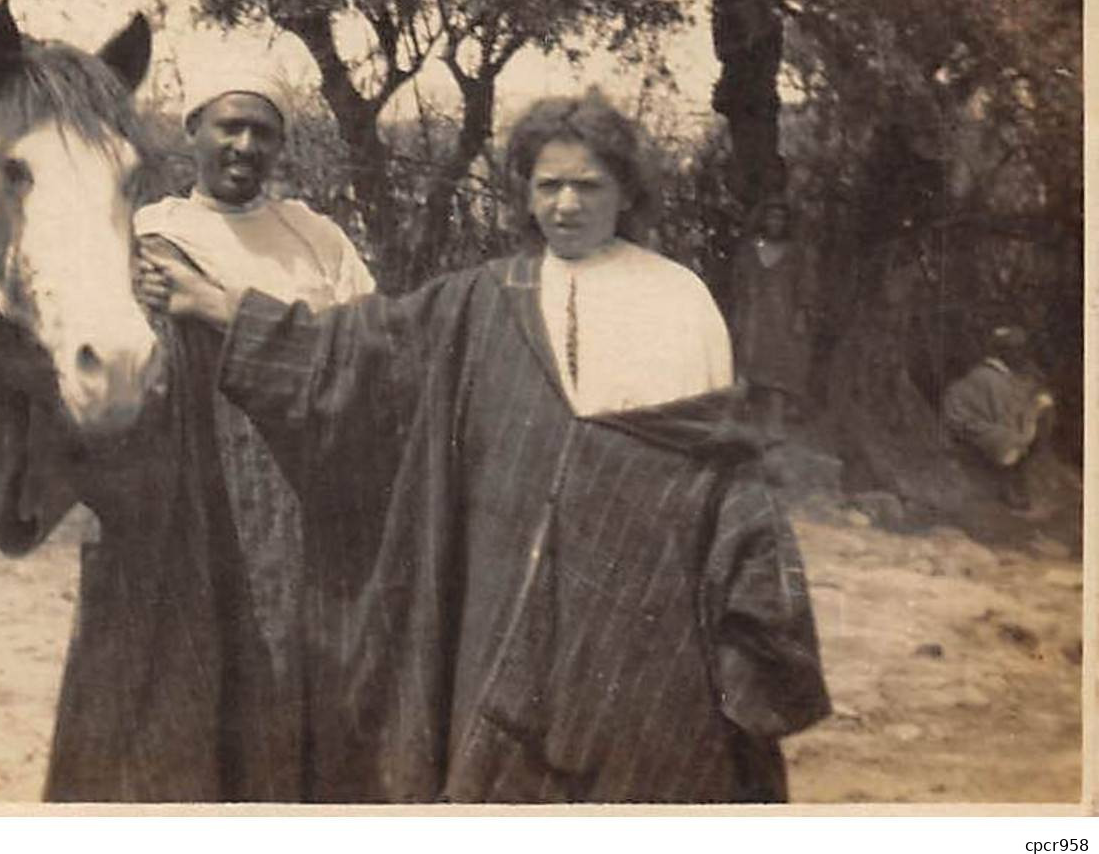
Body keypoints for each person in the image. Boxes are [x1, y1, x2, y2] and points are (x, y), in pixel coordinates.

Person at [139, 91, 831, 803]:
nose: (566, 204)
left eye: (588, 185)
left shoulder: (678, 299)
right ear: (524, 194)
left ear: (626, 192)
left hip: (638, 603)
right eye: (547, 185)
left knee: (638, 760)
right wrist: (218, 308)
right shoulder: (486, 297)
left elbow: (721, 473)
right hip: (496, 600)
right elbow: (361, 352)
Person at [44, 70, 374, 801]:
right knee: (171, 673)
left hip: (295, 499)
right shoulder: (151, 234)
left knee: (284, 673)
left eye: (261, 130)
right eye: (228, 125)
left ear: (281, 143)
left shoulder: (316, 238)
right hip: (181, 499)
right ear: (193, 130)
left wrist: (220, 307)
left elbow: (369, 351)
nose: (243, 144)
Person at [942, 325, 1055, 512]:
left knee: (1034, 421)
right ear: (1003, 353)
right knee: (1012, 439)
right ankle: (1008, 486)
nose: (1021, 356)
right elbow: (1004, 417)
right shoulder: (991, 378)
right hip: (968, 427)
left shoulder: (1002, 375)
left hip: (977, 423)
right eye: (1015, 350)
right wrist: (1034, 411)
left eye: (1021, 350)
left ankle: (1014, 481)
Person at [731, 200, 816, 438]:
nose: (775, 222)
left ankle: (775, 425)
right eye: (771, 217)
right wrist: (739, 310)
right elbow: (738, 281)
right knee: (746, 362)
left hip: (782, 316)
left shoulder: (795, 252)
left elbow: (805, 285)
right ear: (763, 220)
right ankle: (740, 420)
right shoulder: (750, 248)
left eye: (780, 218)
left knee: (779, 365)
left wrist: (801, 313)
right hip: (753, 313)